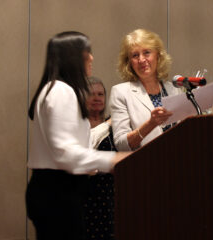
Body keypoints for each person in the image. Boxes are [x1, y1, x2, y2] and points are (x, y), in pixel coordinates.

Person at [25, 31, 129, 240]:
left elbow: (75, 143)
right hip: (57, 194)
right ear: (73, 57)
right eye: (87, 53)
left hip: (54, 191)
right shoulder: (61, 92)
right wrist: (113, 159)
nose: (91, 58)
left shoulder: (55, 89)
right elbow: (66, 153)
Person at [110, 29, 182, 151]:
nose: (141, 60)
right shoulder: (120, 93)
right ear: (129, 63)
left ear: (158, 56)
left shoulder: (173, 89)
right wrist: (150, 124)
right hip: (145, 165)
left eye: (147, 52)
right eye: (135, 55)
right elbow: (121, 145)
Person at [84, 77, 116, 240]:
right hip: (85, 197)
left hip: (112, 197)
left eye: (101, 94)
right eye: (92, 94)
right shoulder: (78, 124)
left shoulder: (116, 124)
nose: (97, 98)